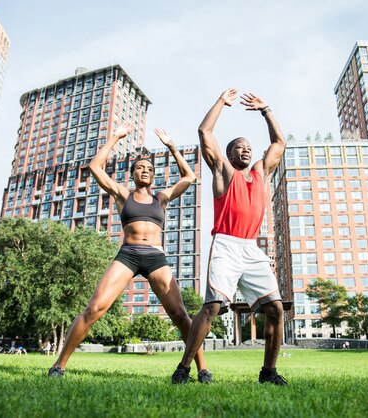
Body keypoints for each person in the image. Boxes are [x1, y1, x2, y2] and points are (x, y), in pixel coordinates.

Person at [48, 122, 210, 382]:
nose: (144, 171)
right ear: (133, 174)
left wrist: (171, 147)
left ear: (153, 175)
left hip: (156, 257)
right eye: (139, 168)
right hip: (128, 254)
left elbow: (189, 177)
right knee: (94, 309)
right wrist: (115, 136)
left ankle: (202, 369)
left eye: (149, 169)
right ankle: (59, 365)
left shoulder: (161, 197)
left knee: (180, 314)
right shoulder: (123, 194)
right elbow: (95, 167)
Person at [171, 88, 287, 385]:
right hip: (225, 243)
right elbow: (204, 131)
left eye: (248, 147)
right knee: (213, 307)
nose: (246, 150)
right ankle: (184, 368)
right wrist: (221, 102)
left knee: (275, 308)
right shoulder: (222, 170)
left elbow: (279, 142)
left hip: (251, 248)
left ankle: (269, 372)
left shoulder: (260, 171)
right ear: (230, 152)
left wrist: (266, 109)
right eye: (239, 147)